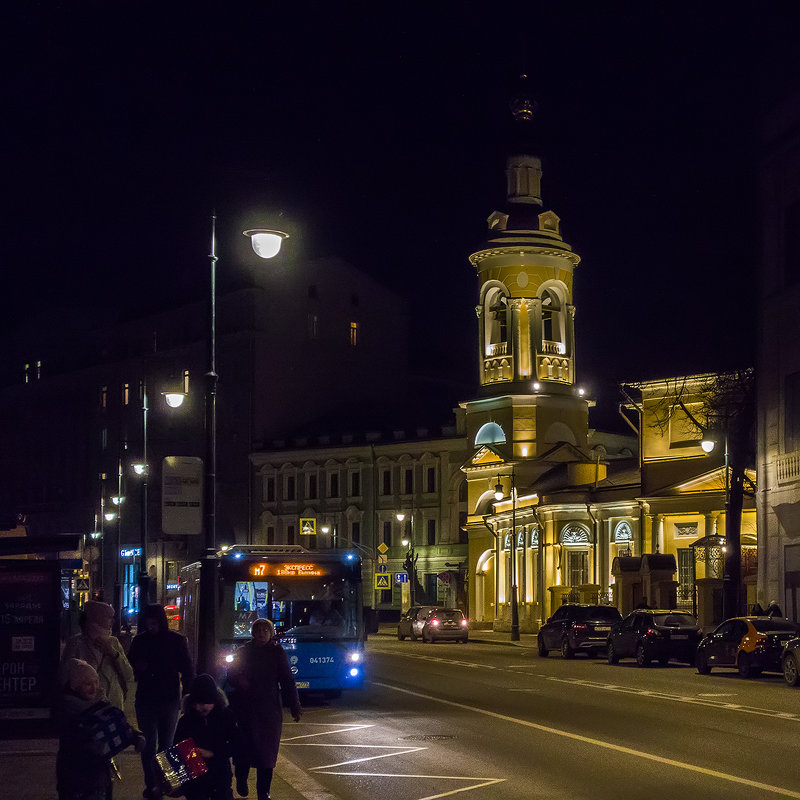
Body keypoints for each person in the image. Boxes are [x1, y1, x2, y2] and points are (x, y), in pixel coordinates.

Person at [227, 619, 301, 800]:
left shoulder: (276, 652)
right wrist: (239, 680)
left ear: (270, 633)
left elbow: (287, 679)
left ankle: (263, 792)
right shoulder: (243, 651)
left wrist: (294, 704)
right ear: (253, 633)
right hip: (245, 709)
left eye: (265, 630)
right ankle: (241, 778)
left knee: (267, 754)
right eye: (258, 630)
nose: (261, 633)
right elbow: (230, 674)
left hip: (269, 710)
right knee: (243, 749)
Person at [127, 603, 195, 799]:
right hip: (151, 698)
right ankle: (154, 784)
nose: (151, 627)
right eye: (148, 624)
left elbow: (188, 670)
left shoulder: (174, 640)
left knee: (165, 743)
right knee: (150, 744)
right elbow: (129, 664)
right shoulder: (143, 641)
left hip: (165, 698)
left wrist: (187, 695)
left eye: (154, 623)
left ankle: (161, 783)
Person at [56, 658, 145, 800]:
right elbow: (74, 739)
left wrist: (134, 735)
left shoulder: (101, 703)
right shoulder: (68, 708)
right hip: (75, 778)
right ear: (75, 686)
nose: (94, 688)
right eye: (87, 684)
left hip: (99, 776)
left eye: (95, 682)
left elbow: (116, 724)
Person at [173, 674, 239, 800]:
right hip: (195, 781)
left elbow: (237, 745)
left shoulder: (226, 717)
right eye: (195, 703)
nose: (198, 708)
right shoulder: (186, 720)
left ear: (213, 700)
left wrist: (212, 753)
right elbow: (177, 747)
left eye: (203, 703)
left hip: (220, 776)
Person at [62, 600, 134, 711]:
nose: (112, 621)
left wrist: (113, 653)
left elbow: (128, 674)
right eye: (108, 617)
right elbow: (66, 678)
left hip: (114, 708)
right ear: (96, 618)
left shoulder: (113, 642)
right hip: (87, 710)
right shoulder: (76, 643)